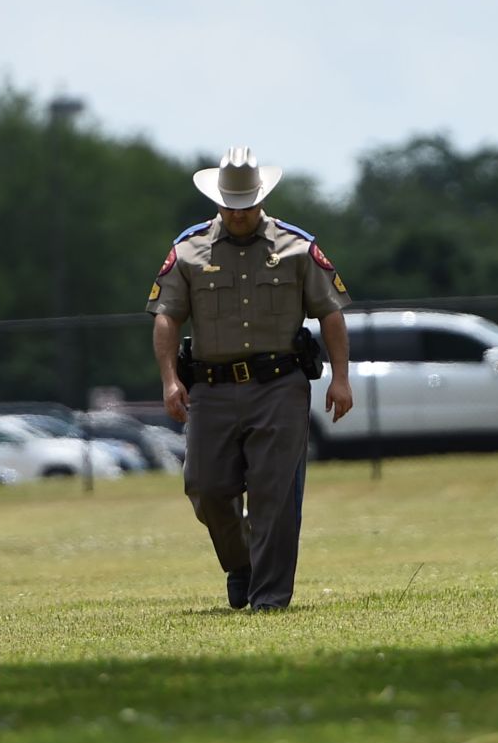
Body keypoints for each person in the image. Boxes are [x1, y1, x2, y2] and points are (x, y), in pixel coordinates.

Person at [147, 147, 354, 610]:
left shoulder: (298, 248)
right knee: (205, 486)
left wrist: (341, 378)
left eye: (246, 206)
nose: (238, 216)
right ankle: (241, 564)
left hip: (279, 386)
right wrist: (168, 380)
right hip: (212, 389)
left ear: (260, 199)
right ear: (218, 201)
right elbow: (166, 317)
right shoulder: (188, 249)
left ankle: (269, 596)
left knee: (273, 493)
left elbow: (330, 314)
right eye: (230, 207)